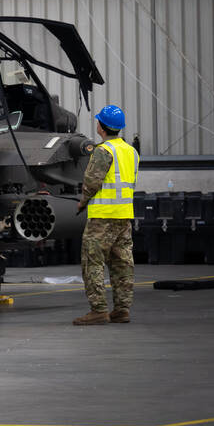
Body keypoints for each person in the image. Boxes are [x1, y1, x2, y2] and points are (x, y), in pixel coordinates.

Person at [74, 105, 139, 325]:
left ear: (101, 127)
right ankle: (122, 309)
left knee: (92, 262)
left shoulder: (103, 151)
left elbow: (92, 183)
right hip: (124, 215)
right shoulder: (131, 151)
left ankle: (99, 310)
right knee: (122, 263)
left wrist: (82, 202)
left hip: (102, 217)